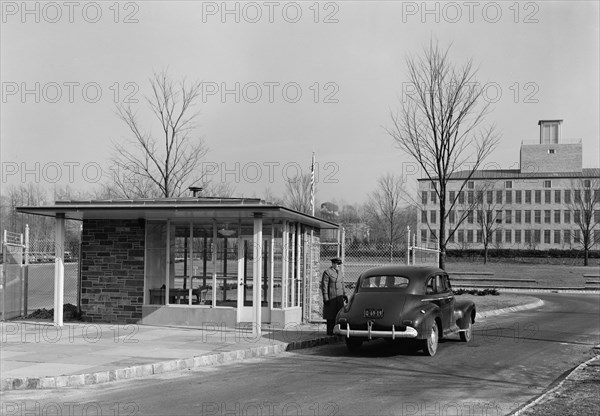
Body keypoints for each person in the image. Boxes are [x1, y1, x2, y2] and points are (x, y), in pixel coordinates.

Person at [321, 257, 347, 335]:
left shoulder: (340, 273)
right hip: (331, 297)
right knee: (330, 315)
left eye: (339, 264)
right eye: (337, 264)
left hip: (339, 297)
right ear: (333, 264)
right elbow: (324, 286)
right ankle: (330, 332)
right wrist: (325, 297)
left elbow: (342, 284)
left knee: (338, 314)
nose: (338, 265)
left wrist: (344, 295)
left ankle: (338, 332)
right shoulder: (327, 272)